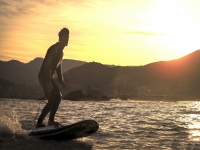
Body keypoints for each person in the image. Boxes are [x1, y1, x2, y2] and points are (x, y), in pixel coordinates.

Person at [35, 28, 69, 128]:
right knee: (57, 96)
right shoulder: (53, 49)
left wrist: (61, 79)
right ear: (60, 38)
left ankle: (39, 123)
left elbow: (58, 67)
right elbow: (47, 64)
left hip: (47, 77)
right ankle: (50, 121)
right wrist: (48, 80)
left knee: (52, 100)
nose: (67, 39)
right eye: (65, 37)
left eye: (68, 37)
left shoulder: (61, 52)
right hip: (44, 76)